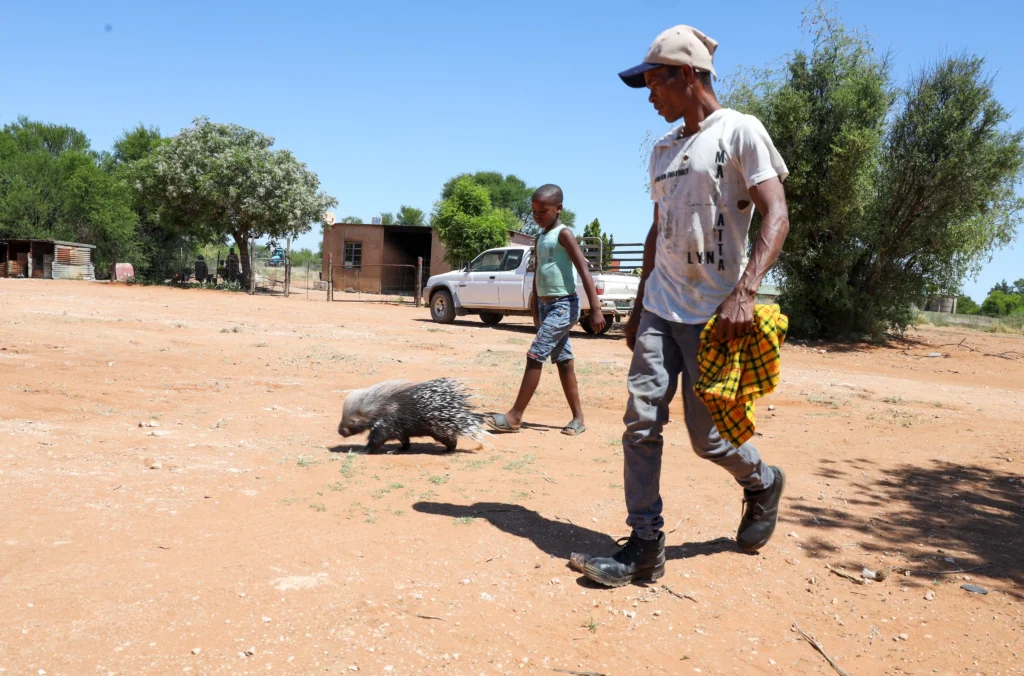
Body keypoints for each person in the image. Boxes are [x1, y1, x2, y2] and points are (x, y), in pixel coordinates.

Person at [580, 25, 791, 587]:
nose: (650, 95)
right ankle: (644, 544)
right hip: (659, 309)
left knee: (709, 440)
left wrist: (745, 292)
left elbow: (777, 214)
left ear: (689, 75)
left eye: (655, 82)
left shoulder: (740, 132)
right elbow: (658, 228)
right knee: (640, 422)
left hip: (714, 316)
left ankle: (762, 481)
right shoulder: (662, 149)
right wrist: (642, 299)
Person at [486, 185, 605, 437]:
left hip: (564, 305)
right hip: (545, 305)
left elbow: (583, 270)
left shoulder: (564, 234)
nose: (537, 216)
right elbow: (538, 271)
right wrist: (534, 306)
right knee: (563, 362)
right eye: (534, 211)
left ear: (558, 208)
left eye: (543, 211)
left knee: (534, 354)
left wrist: (595, 308)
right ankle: (578, 418)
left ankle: (515, 416)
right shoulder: (539, 238)